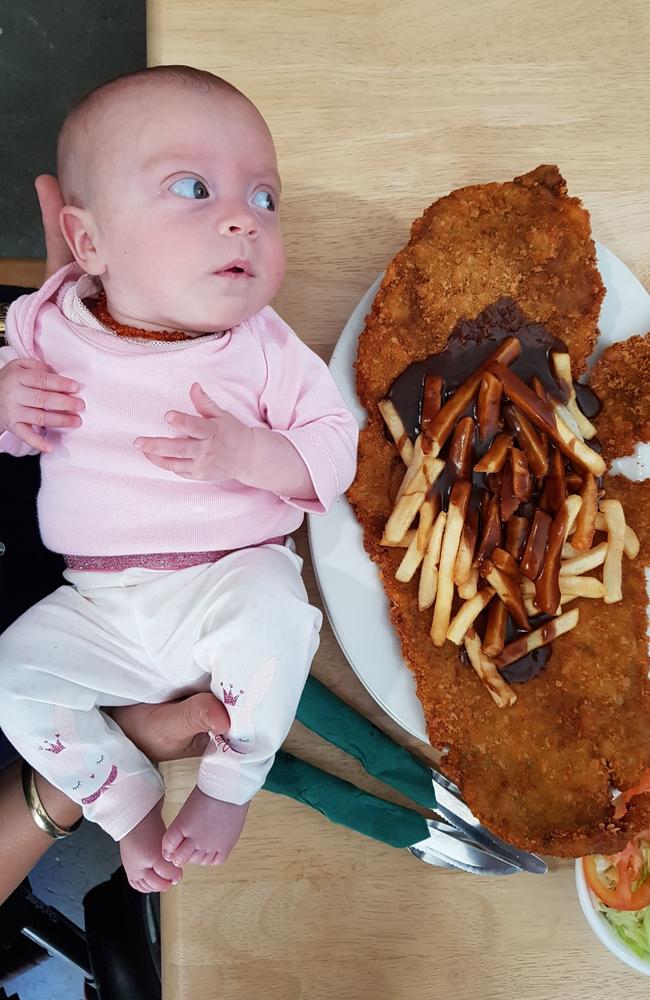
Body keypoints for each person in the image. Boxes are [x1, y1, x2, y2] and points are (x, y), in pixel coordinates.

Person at [0, 66, 357, 894]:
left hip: (227, 582)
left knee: (279, 615)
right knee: (15, 675)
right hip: (97, 606)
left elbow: (335, 445)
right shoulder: (49, 325)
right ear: (89, 243)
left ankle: (231, 784)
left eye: (266, 200)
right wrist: (10, 402)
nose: (244, 219)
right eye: (193, 188)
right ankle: (124, 802)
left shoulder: (261, 347)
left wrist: (251, 456)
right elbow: (19, 440)